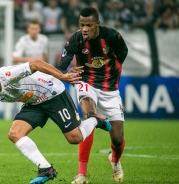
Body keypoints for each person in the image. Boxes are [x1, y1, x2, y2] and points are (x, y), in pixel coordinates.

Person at [0, 59, 112, 184]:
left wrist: (61, 76)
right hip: (34, 103)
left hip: (53, 94)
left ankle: (94, 120)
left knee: (75, 138)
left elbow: (35, 64)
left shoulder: (7, 74)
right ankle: (46, 169)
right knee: (14, 133)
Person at [57, 7, 128, 183]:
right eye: (82, 25)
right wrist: (67, 72)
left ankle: (115, 160)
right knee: (89, 116)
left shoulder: (112, 36)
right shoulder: (75, 39)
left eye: (89, 25)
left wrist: (110, 71)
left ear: (97, 24)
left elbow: (123, 53)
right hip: (86, 81)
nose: (85, 29)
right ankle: (82, 174)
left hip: (110, 89)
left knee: (118, 139)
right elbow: (61, 66)